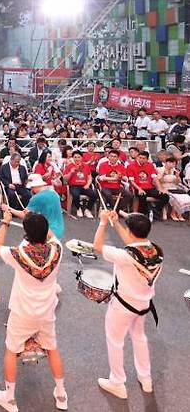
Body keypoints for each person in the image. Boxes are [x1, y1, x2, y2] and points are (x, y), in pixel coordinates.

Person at [0, 211, 67, 412]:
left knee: (11, 350)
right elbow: (50, 236)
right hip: (47, 311)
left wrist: (6, 223)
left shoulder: (18, 254)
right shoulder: (57, 250)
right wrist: (36, 221)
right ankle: (61, 394)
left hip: (22, 312)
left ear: (25, 233)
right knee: (52, 348)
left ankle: (10, 399)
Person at [92, 211, 163, 399]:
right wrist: (117, 224)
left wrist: (103, 222)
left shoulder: (125, 255)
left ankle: (117, 382)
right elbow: (133, 243)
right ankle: (145, 378)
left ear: (131, 231)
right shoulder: (156, 251)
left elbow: (97, 246)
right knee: (139, 338)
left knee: (115, 341)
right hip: (143, 304)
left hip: (122, 305)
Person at [126, 151, 169, 219]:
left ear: (147, 159)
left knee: (165, 196)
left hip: (150, 187)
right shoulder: (131, 166)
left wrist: (160, 189)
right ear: (137, 157)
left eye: (143, 158)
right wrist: (139, 189)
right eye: (140, 157)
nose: (141, 159)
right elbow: (131, 181)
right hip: (137, 187)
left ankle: (155, 210)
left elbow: (155, 178)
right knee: (142, 196)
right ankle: (147, 212)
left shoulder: (150, 165)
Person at [64, 150, 97, 218]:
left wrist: (87, 185)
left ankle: (87, 210)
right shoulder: (69, 166)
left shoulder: (85, 166)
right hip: (74, 186)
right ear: (72, 158)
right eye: (75, 157)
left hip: (84, 186)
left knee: (94, 195)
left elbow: (89, 177)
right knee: (76, 194)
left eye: (78, 157)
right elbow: (65, 179)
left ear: (81, 158)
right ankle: (78, 208)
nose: (77, 159)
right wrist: (71, 172)